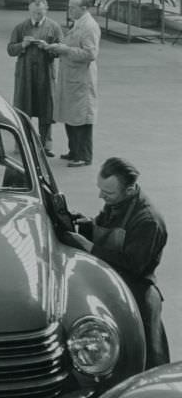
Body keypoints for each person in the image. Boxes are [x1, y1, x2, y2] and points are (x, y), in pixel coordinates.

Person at [62, 157, 169, 370]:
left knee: (144, 361)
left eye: (108, 193)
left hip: (138, 292)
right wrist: (83, 224)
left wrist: (89, 247)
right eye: (100, 189)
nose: (101, 196)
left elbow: (133, 264)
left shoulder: (147, 221)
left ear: (129, 190)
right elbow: (104, 227)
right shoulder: (117, 203)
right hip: (114, 280)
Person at [47, 0, 101, 167]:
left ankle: (83, 156)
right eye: (69, 7)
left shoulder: (89, 27)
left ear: (84, 9)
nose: (69, 10)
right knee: (71, 115)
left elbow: (90, 54)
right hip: (71, 75)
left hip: (81, 78)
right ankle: (74, 151)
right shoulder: (78, 23)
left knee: (81, 118)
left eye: (73, 8)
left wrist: (65, 49)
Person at [6, 0, 63, 155]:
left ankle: (45, 145)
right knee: (23, 108)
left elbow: (61, 50)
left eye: (40, 12)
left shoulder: (54, 27)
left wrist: (49, 47)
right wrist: (22, 45)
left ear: (46, 10)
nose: (37, 15)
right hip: (25, 75)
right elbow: (10, 50)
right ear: (29, 11)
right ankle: (22, 144)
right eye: (34, 12)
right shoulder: (21, 27)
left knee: (46, 109)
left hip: (45, 74)